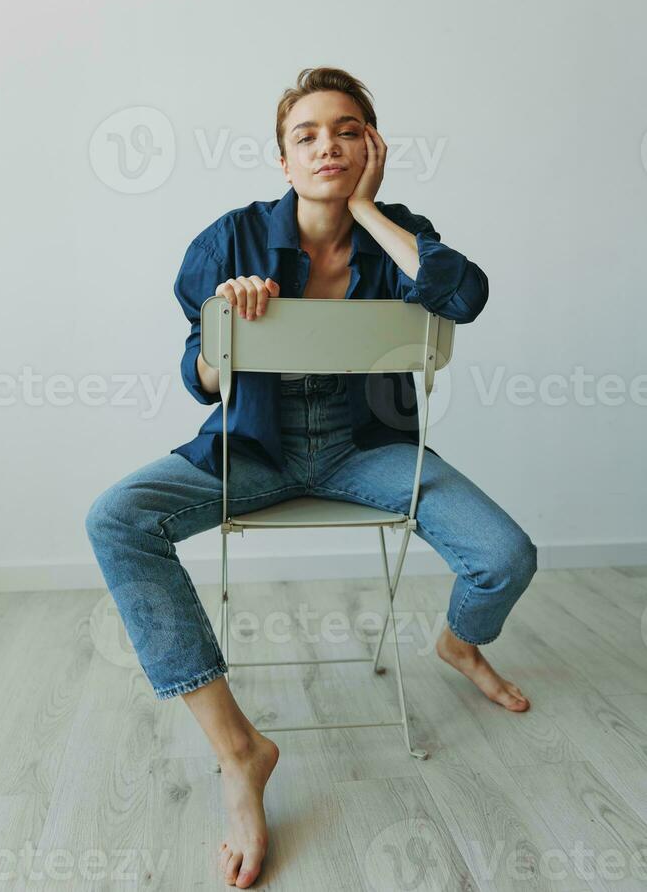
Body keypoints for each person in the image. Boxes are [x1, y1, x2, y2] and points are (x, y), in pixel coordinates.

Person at [85, 67, 537, 889]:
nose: (328, 144)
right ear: (283, 158)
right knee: (115, 518)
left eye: (349, 129)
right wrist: (225, 329)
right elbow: (200, 374)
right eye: (308, 134)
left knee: (506, 555)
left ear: (374, 145)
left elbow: (463, 297)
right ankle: (240, 754)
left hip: (367, 448)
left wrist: (367, 210)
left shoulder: (402, 232)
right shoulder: (230, 238)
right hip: (255, 447)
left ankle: (458, 642)